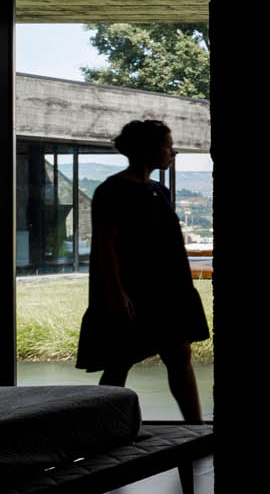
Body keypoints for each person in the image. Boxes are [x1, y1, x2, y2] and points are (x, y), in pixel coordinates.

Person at [75, 119, 209, 422]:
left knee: (178, 356)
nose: (172, 152)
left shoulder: (158, 191)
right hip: (136, 292)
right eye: (167, 145)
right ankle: (105, 430)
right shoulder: (114, 191)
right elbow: (105, 246)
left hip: (166, 290)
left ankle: (195, 428)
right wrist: (117, 294)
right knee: (121, 361)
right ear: (149, 149)